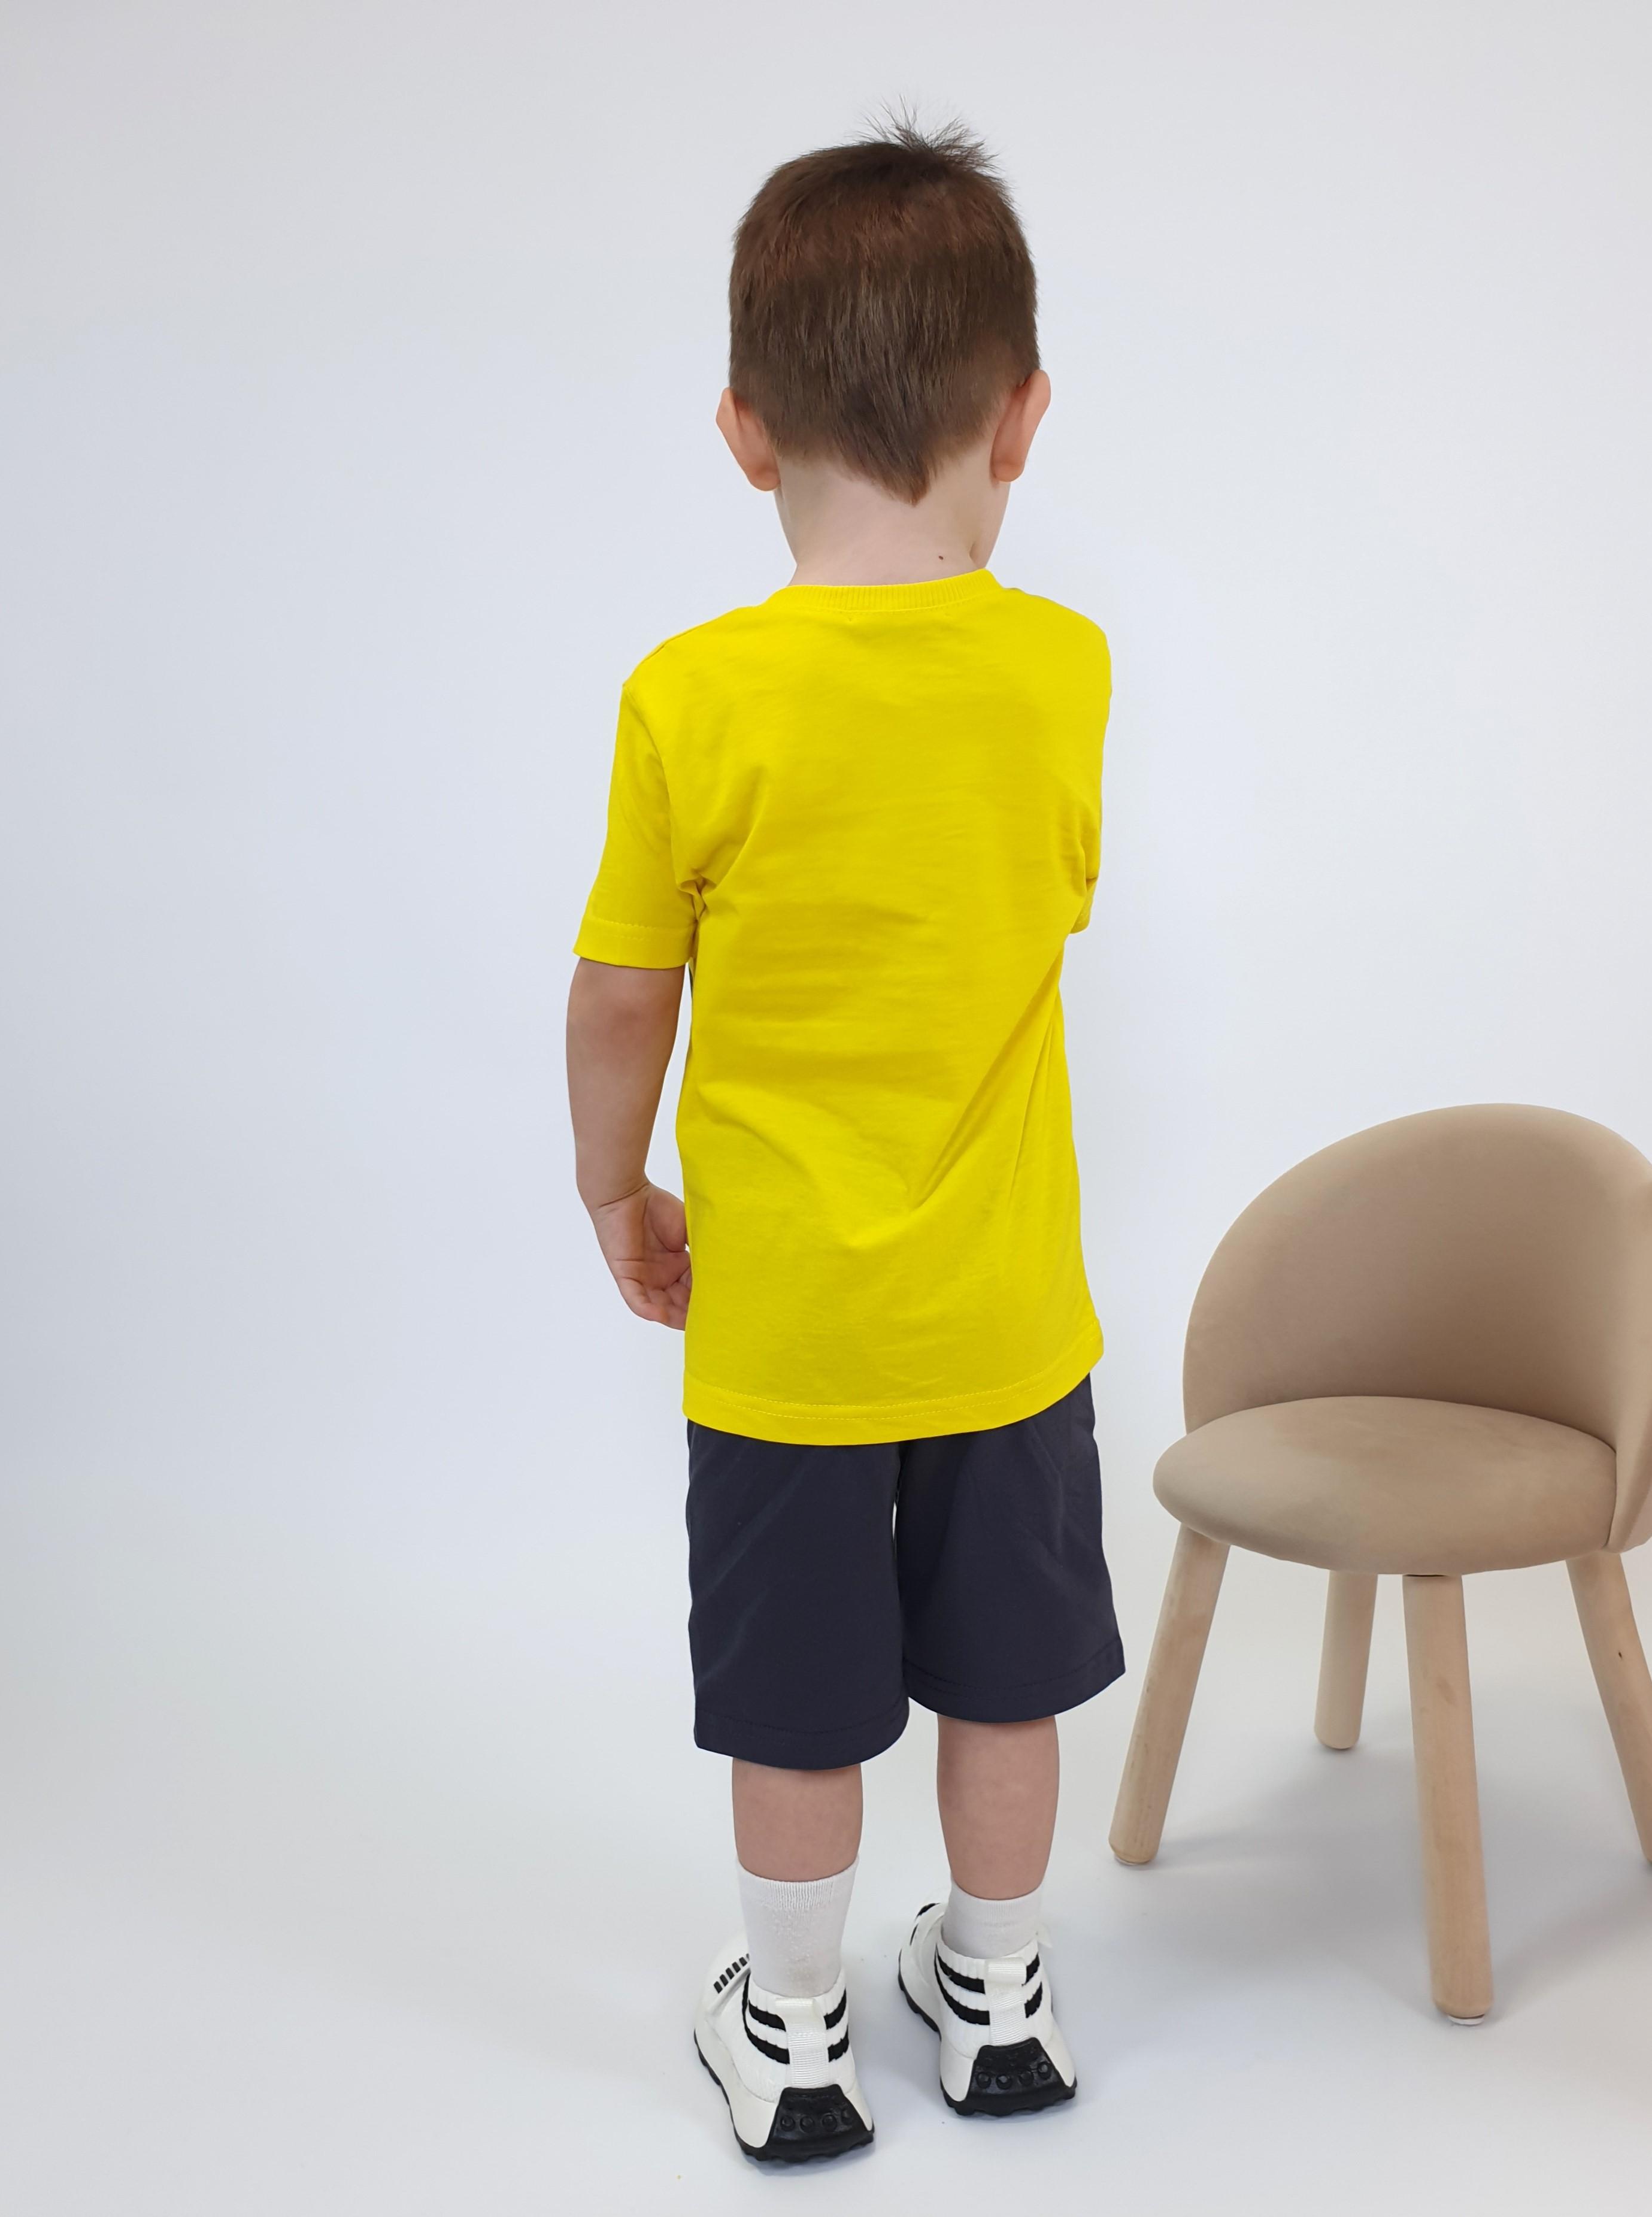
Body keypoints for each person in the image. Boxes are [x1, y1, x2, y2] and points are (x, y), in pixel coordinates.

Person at [565, 119, 1120, 2163]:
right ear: (1024, 415)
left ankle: (793, 2033)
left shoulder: (691, 699)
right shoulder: (1063, 673)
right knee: (1004, 1683)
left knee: (797, 1700)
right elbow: (1043, 907)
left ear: (742, 430)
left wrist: (613, 1184)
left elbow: (623, 992)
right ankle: (997, 1997)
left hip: (789, 1330)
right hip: (1001, 1320)